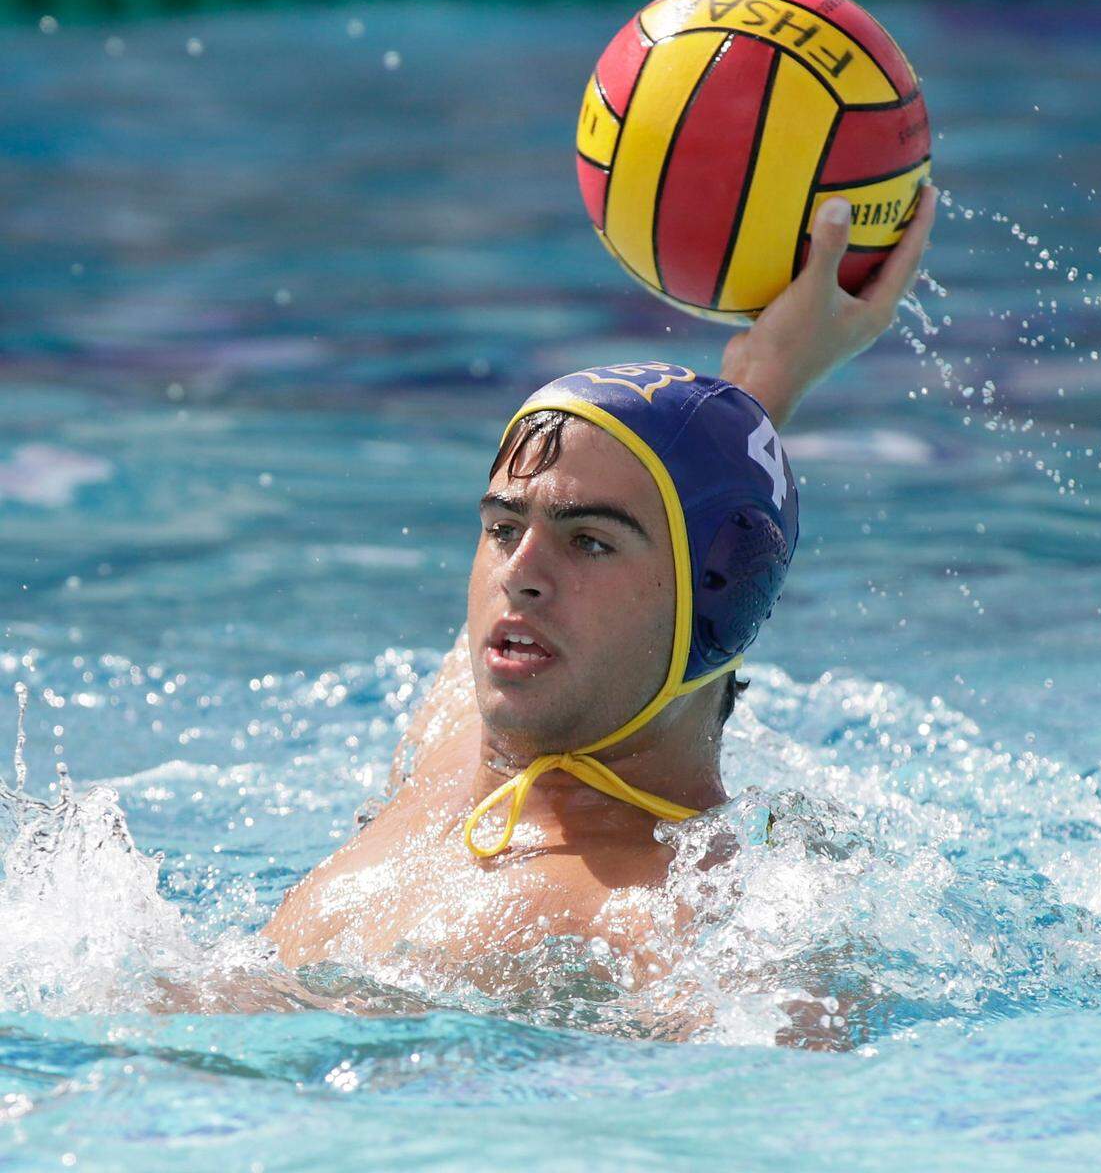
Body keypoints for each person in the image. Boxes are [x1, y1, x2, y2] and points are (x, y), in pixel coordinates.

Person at [262, 187, 938, 981]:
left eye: (589, 541)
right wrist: (761, 383)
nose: (521, 576)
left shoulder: (694, 927)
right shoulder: (451, 757)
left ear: (713, 601)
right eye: (504, 528)